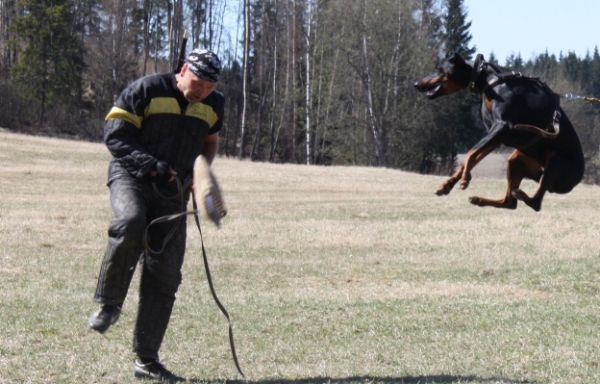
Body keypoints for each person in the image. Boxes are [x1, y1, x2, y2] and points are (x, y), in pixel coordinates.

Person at [88, 49, 224, 382]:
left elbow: (209, 141)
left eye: (209, 86)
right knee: (131, 223)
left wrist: (200, 174)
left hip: (174, 190)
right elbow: (116, 135)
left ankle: (146, 361)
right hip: (130, 177)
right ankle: (109, 304)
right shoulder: (146, 89)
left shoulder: (215, 104)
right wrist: (149, 165)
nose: (202, 91)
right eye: (198, 82)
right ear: (182, 70)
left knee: (165, 273)